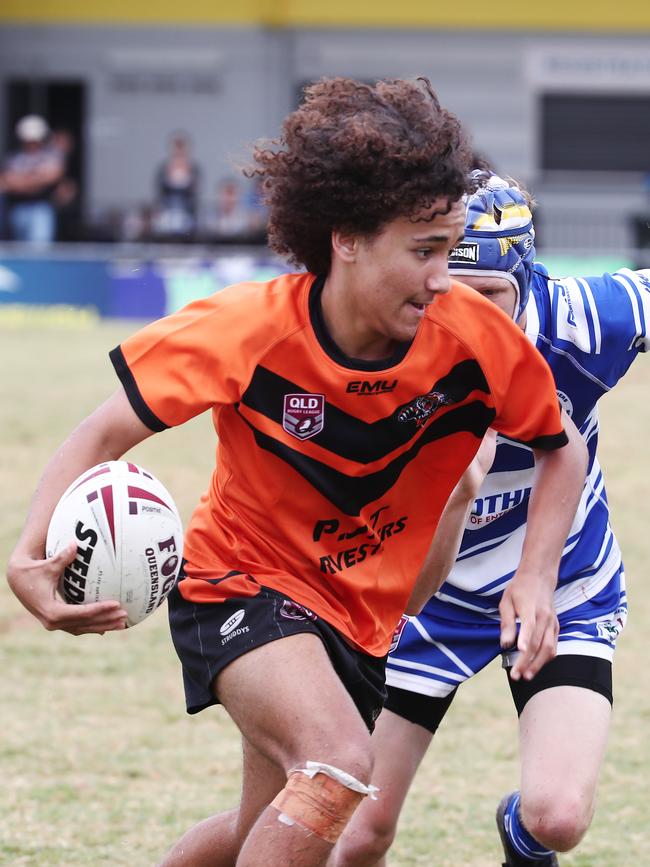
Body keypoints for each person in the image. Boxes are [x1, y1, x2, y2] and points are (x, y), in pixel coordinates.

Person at [6, 81, 587, 867]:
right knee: (338, 762)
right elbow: (104, 428)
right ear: (346, 238)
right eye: (423, 250)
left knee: (261, 829)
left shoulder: (474, 338)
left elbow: (561, 444)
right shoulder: (248, 330)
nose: (443, 278)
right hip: (236, 583)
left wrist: (537, 575)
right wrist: (28, 553)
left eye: (449, 250)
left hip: (356, 621)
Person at [332, 173, 649, 867]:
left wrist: (535, 578)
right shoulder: (383, 337)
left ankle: (522, 839)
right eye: (451, 295)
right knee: (354, 834)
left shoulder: (586, 322)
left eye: (492, 298)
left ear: (527, 278)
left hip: (562, 583)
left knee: (558, 815)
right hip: (420, 595)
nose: (468, 321)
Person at [1, 114, 64, 245]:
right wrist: (34, 179)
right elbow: (6, 181)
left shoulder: (51, 156)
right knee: (20, 248)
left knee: (39, 247)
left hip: (41, 209)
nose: (32, 144)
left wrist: (21, 181)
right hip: (19, 209)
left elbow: (52, 176)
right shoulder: (15, 158)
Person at [153, 131, 201, 240]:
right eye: (176, 146)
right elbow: (159, 194)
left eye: (182, 146)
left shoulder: (194, 169)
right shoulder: (163, 169)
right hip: (167, 215)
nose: (179, 150)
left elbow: (195, 193)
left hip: (188, 215)